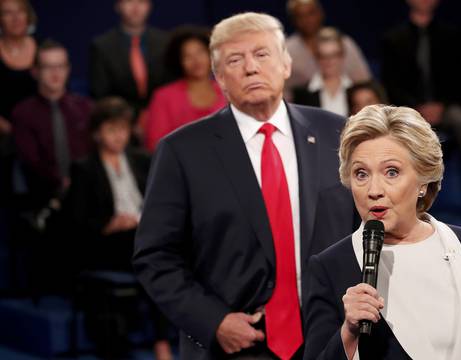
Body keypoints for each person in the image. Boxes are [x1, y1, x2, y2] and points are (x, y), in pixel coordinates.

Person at [132, 12, 356, 360]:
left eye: (262, 54)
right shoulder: (182, 151)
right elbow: (155, 256)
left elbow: (367, 229)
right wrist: (213, 321)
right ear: (219, 77)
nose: (251, 67)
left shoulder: (337, 134)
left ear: (286, 64)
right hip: (233, 344)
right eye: (235, 60)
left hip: (330, 338)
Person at [303, 105, 461, 359]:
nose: (374, 189)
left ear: (423, 180)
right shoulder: (330, 267)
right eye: (361, 174)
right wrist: (348, 332)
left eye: (391, 172)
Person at [64, 96, 173, 360]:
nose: (118, 136)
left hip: (142, 239)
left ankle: (163, 340)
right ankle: (161, 343)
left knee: (156, 256)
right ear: (97, 133)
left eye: (123, 129)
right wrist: (108, 224)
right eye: (111, 130)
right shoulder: (84, 169)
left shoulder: (142, 160)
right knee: (155, 257)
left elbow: (161, 203)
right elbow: (75, 222)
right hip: (106, 244)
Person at [381, 0, 461, 221]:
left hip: (446, 107)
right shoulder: (393, 38)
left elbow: (459, 81)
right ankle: (406, 201)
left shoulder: (451, 35)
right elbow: (391, 85)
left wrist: (441, 105)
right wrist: (416, 108)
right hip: (409, 109)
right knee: (398, 132)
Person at [13, 40, 92, 211]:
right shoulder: (23, 113)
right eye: (48, 67)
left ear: (68, 69)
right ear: (35, 71)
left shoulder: (85, 108)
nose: (56, 73)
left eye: (61, 66)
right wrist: (61, 181)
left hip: (87, 194)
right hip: (43, 198)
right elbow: (31, 161)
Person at [144, 25, 226, 152]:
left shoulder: (228, 91)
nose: (196, 60)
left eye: (200, 52)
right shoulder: (164, 97)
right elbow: (156, 145)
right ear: (178, 62)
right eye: (187, 56)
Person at [89, 0, 170, 114]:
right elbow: (100, 95)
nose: (135, 8)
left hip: (163, 115)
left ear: (149, 5)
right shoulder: (102, 46)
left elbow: (172, 86)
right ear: (118, 6)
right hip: (120, 121)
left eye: (141, 2)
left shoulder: (165, 42)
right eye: (129, 1)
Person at [285, 0, 370, 98]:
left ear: (320, 14)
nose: (307, 20)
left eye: (311, 13)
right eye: (300, 16)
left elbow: (364, 83)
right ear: (293, 19)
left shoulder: (344, 43)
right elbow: (284, 90)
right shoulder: (287, 50)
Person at [0, 0, 38, 201]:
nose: (15, 18)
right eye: (7, 13)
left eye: (20, 12)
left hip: (41, 137)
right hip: (4, 137)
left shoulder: (42, 49)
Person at [293, 27, 352, 117]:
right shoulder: (302, 94)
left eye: (333, 55)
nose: (329, 61)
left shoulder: (356, 91)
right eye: (323, 56)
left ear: (342, 56)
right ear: (316, 57)